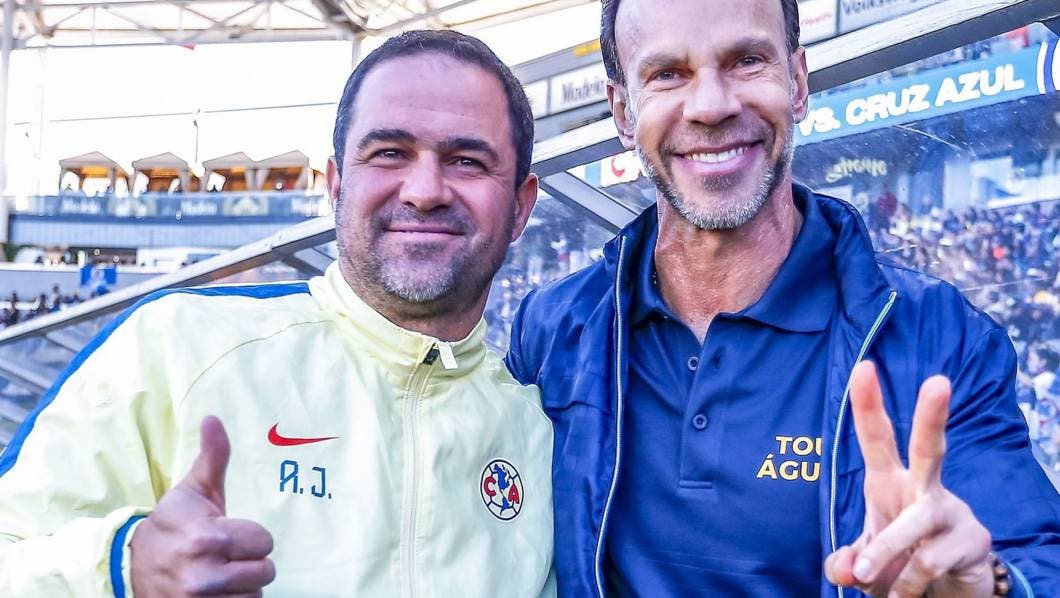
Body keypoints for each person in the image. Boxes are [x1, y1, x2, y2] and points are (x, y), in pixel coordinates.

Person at [504, 1, 1060, 596]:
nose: (711, 105)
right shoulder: (553, 328)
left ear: (796, 82)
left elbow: (1036, 561)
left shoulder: (938, 335)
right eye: (667, 74)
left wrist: (988, 584)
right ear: (623, 111)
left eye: (746, 61)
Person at [0, 30, 555, 597]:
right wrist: (124, 570)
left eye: (467, 161)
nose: (424, 190)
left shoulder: (539, 427)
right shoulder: (176, 346)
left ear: (520, 206)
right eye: (390, 153)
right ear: (336, 185)